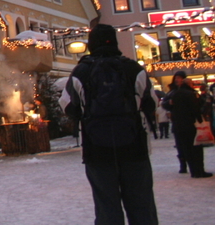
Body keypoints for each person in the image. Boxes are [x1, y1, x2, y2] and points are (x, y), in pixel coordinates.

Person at [61, 24, 158, 225]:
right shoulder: (133, 69)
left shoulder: (81, 72)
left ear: (91, 44)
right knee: (141, 204)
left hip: (97, 149)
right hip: (134, 146)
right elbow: (152, 103)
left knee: (106, 206)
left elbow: (68, 105)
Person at [165, 71, 211, 178]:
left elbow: (168, 106)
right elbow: (196, 110)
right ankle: (199, 170)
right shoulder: (191, 94)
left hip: (178, 125)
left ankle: (192, 170)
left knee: (186, 148)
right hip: (191, 125)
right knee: (196, 148)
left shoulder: (174, 94)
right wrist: (201, 119)